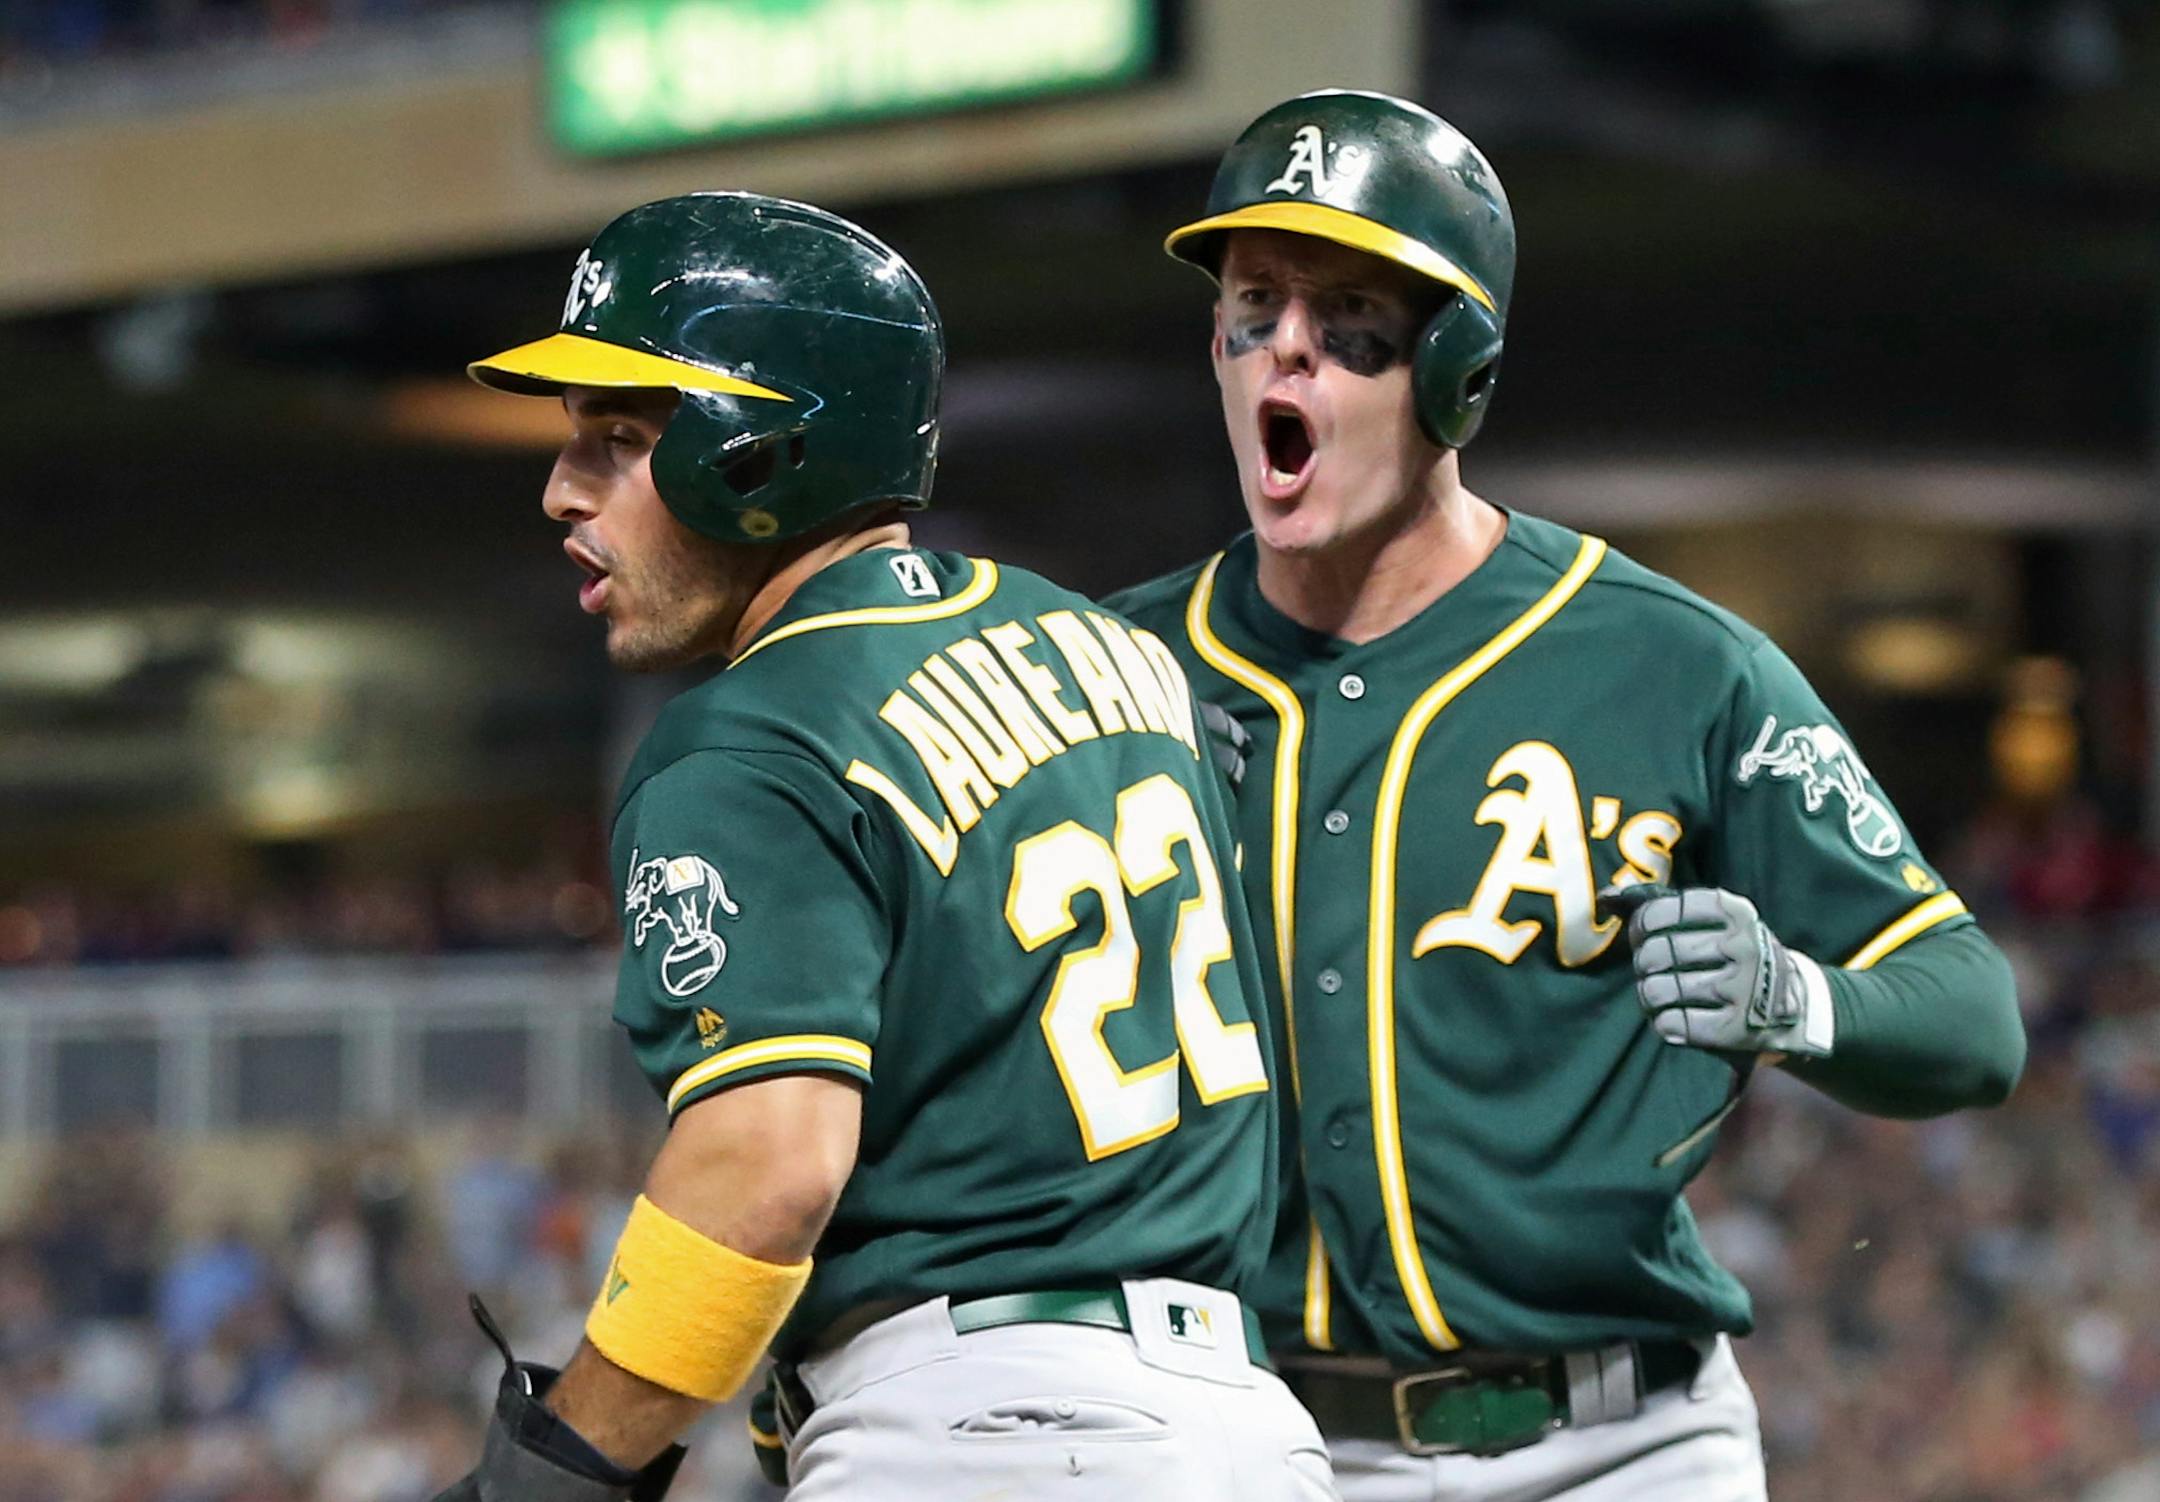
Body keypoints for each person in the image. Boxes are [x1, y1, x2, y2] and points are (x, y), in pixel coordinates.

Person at [1107, 89, 2027, 1501]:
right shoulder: (1108, 673)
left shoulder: (1672, 663)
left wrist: (1795, 998)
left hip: (1617, 1447)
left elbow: (1971, 1013)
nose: (1287, 346)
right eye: (1253, 307)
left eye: (1348, 317)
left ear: (1459, 370)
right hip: (1252, 1442)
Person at [433, 192, 1336, 1502]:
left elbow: (767, 1166)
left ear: (758, 452)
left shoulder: (750, 736)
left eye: (618, 438)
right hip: (1247, 1423)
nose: (562, 486)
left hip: (988, 1429)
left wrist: (566, 1465)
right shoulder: (1119, 652)